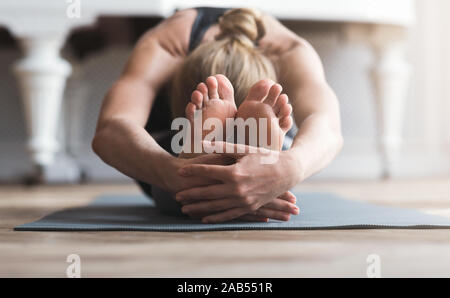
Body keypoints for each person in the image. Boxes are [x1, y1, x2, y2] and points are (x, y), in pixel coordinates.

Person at [92, 7, 343, 224]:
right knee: (281, 151)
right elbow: (112, 129)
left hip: (178, 146)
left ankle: (212, 156)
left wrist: (290, 167)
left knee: (282, 158)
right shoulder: (170, 42)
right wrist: (171, 172)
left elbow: (111, 128)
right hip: (178, 156)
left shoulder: (288, 50)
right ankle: (248, 156)